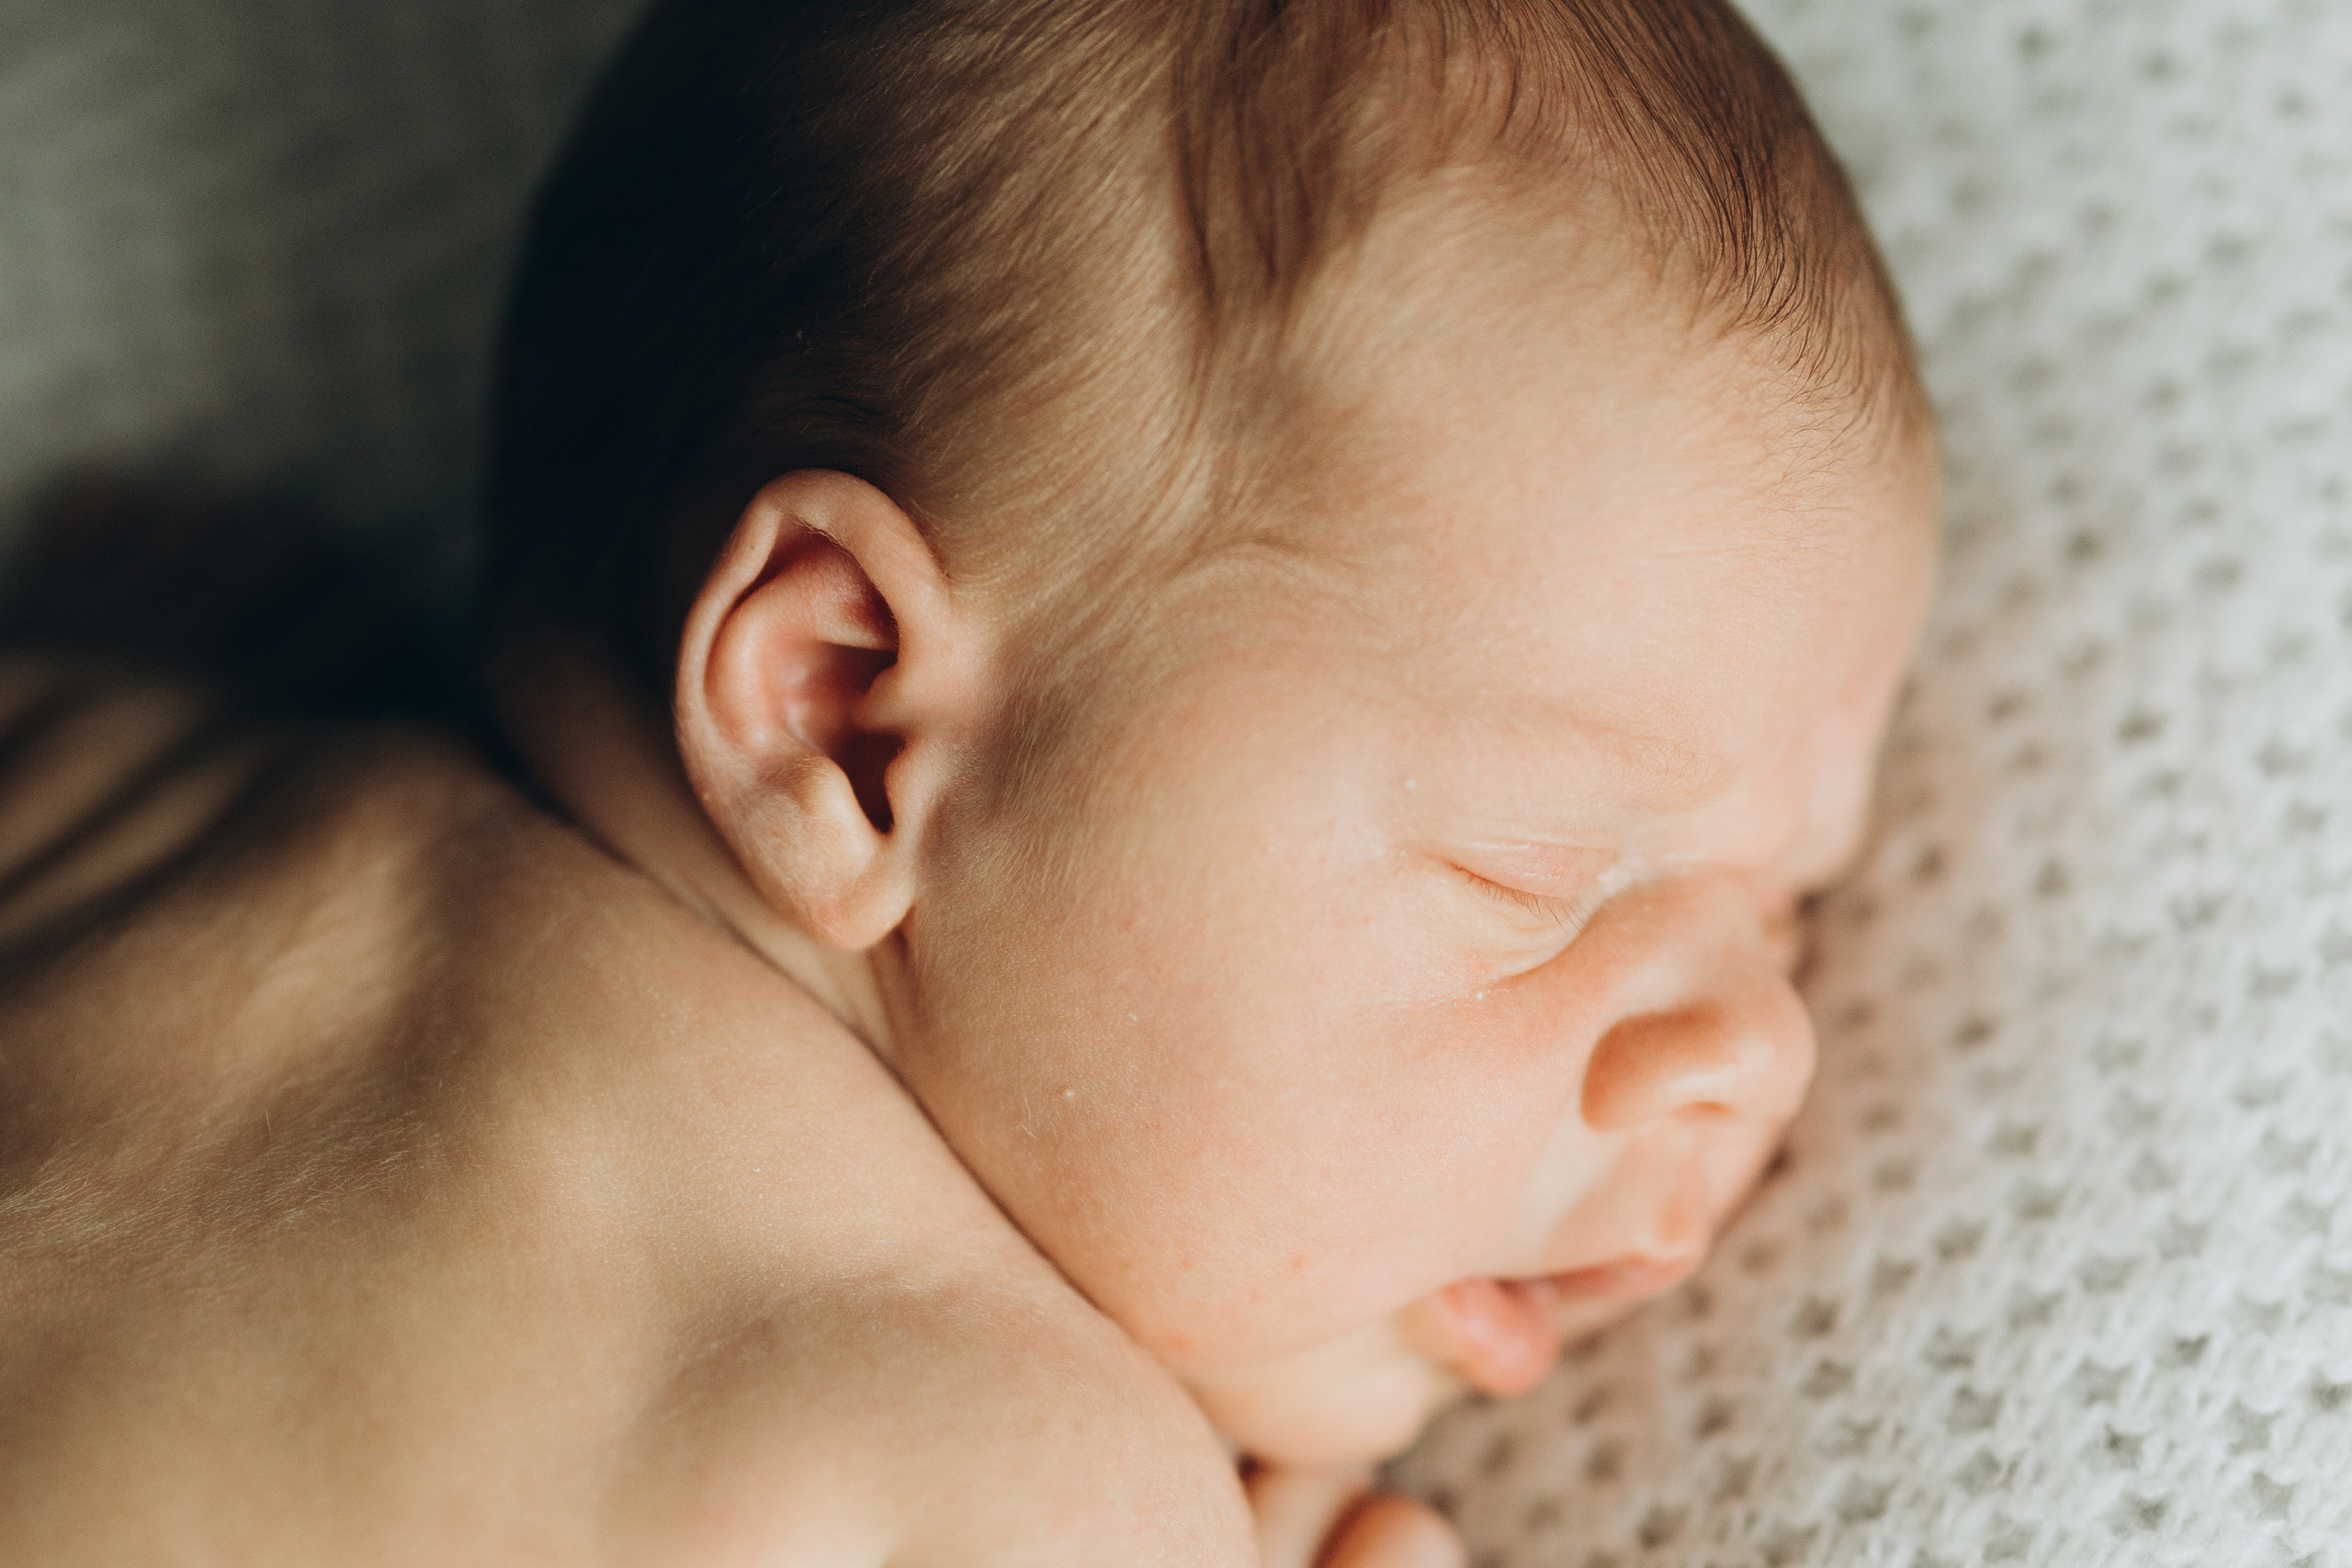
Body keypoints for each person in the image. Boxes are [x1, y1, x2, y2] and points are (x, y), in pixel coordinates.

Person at [0, 1, 1939, 1562]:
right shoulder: (1019, 1474)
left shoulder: (129, 779)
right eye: (1546, 874)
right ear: (845, 720)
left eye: (1780, 910)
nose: (1755, 1044)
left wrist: (208, 657)